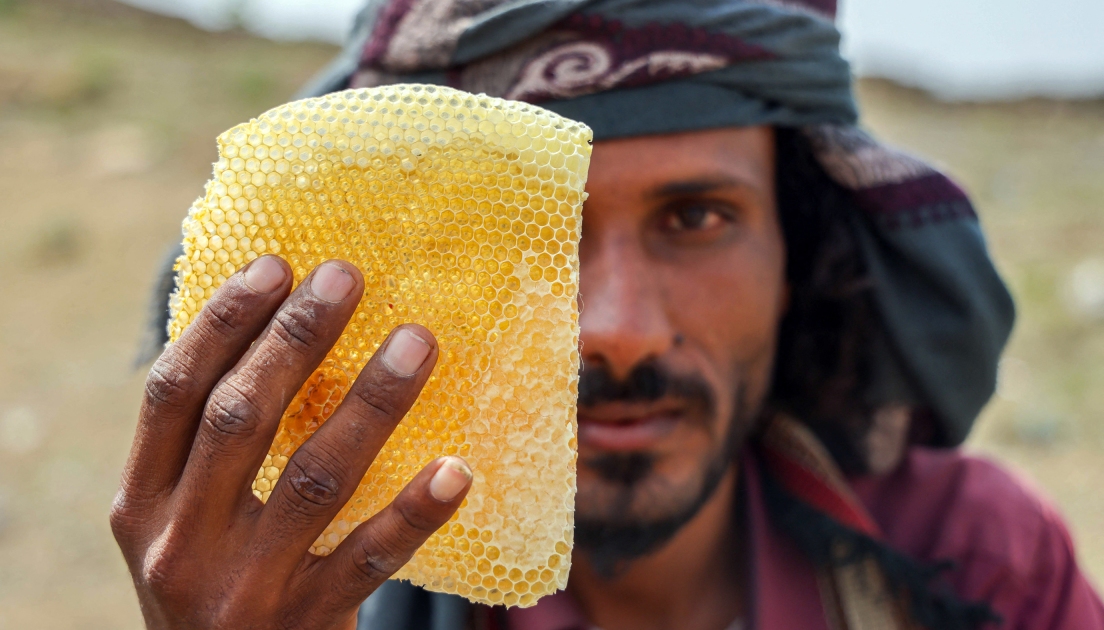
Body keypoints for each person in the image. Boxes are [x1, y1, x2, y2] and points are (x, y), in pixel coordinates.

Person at [109, 0, 1104, 628]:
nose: (619, 327)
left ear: (801, 256)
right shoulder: (315, 608)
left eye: (697, 217)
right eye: (533, 239)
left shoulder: (978, 569)